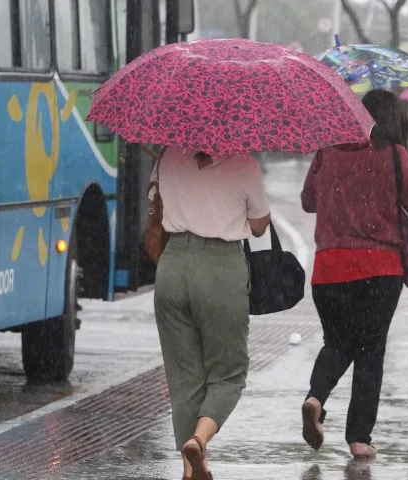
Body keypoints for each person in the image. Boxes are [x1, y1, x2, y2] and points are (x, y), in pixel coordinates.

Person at [299, 89, 408, 459]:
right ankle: (358, 437)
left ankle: (315, 397)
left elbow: (308, 201)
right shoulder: (395, 154)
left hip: (329, 269)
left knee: (337, 342)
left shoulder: (328, 150)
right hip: (380, 269)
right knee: (370, 349)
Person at [147, 147, 271, 480]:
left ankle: (190, 467)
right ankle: (199, 440)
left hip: (173, 267)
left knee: (184, 374)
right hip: (221, 269)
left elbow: (155, 205)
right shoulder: (244, 163)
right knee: (229, 372)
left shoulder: (168, 157)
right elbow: (259, 226)